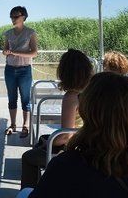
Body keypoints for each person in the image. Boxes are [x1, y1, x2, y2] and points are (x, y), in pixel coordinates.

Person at [19, 49, 93, 189]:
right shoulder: (92, 92)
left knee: (29, 157)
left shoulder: (72, 97)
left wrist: (47, 144)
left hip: (75, 148)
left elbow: (65, 136)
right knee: (43, 139)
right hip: (87, 142)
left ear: (65, 73)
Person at [2, 6, 38, 138]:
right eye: (11, 16)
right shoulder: (8, 33)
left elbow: (34, 53)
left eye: (15, 16)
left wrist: (14, 52)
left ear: (23, 17)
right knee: (12, 98)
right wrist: (6, 52)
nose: (13, 18)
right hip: (10, 69)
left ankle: (25, 126)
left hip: (24, 70)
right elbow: (4, 50)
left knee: (25, 99)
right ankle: (12, 125)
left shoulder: (30, 33)